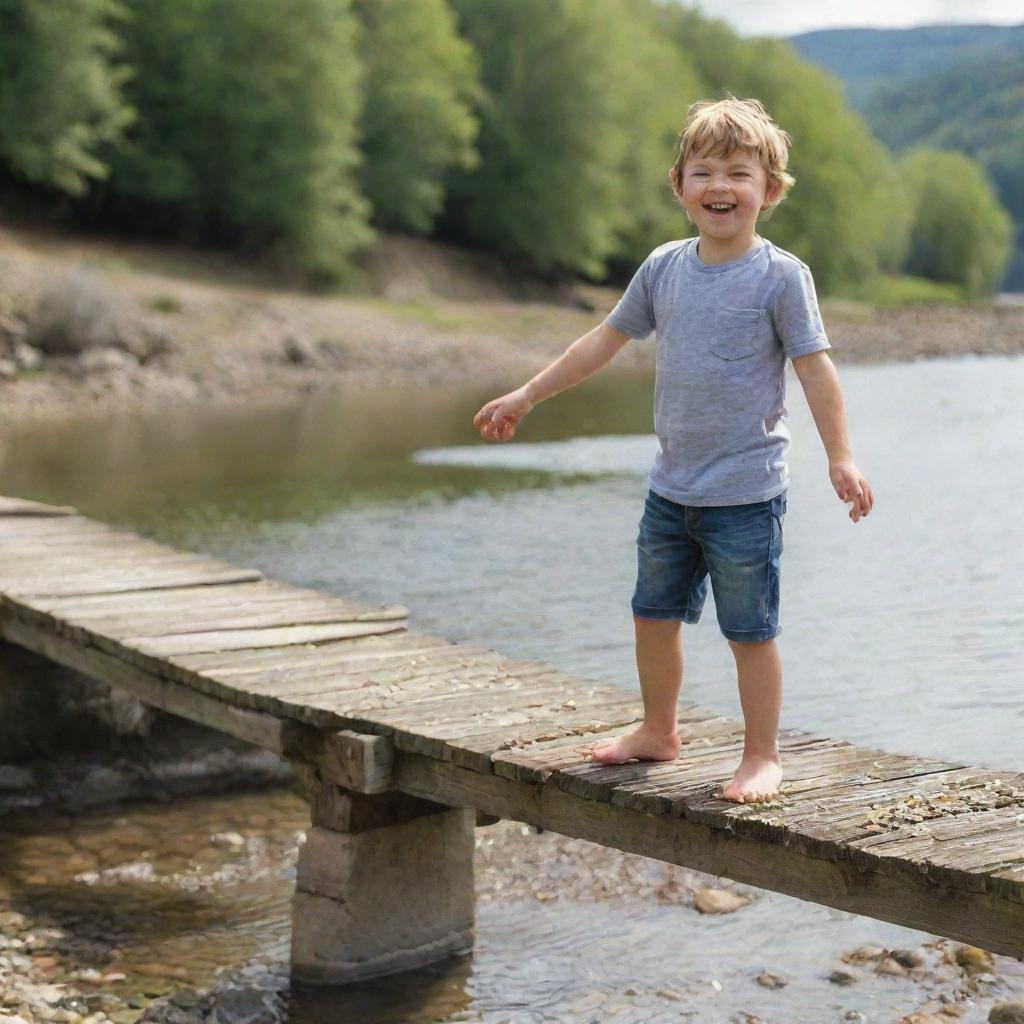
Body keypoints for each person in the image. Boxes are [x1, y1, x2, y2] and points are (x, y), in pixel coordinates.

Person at [471, 95, 873, 804]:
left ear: (769, 192)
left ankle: (760, 756)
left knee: (750, 630)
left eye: (740, 174)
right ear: (679, 186)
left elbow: (815, 367)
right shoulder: (663, 268)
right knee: (652, 615)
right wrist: (527, 394)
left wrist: (841, 454)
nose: (722, 186)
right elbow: (603, 341)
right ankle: (659, 730)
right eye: (705, 172)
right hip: (672, 488)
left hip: (746, 494)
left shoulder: (781, 277)